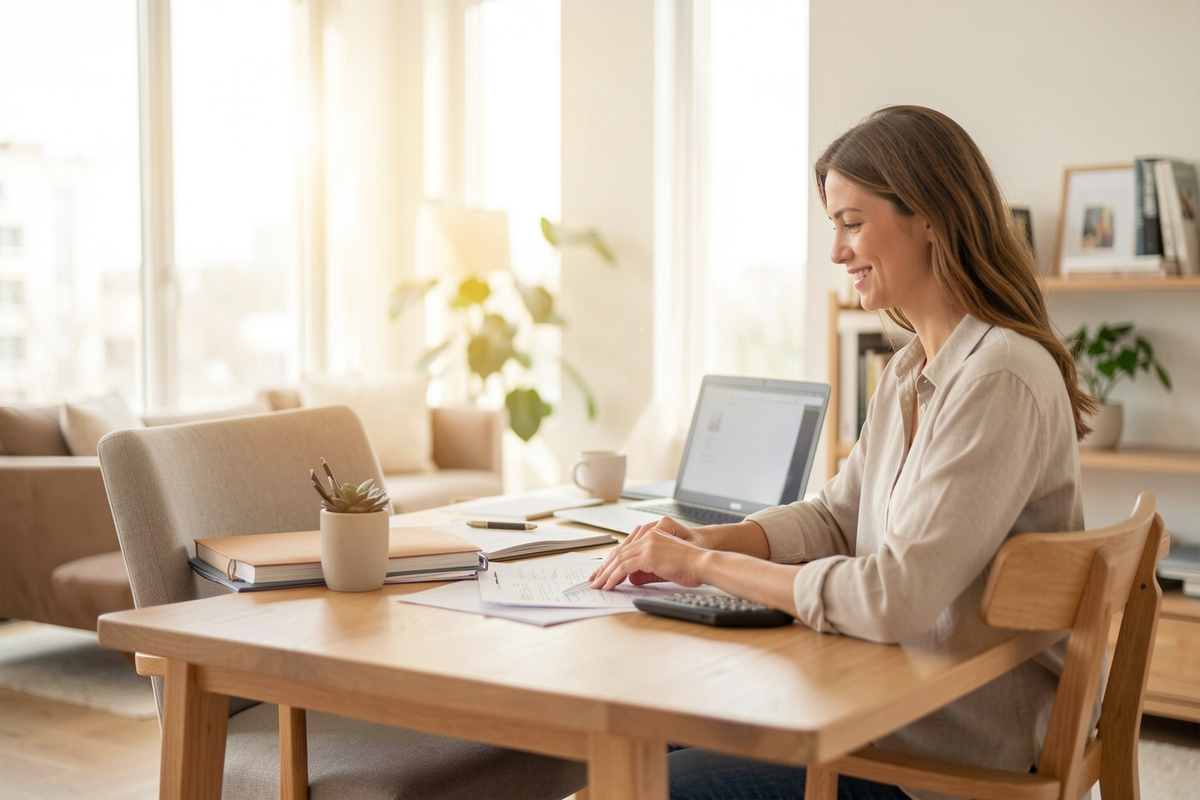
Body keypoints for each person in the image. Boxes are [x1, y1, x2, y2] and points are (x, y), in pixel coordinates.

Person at [587, 105, 1095, 800]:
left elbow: (892, 598)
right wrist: (711, 535)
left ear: (932, 218)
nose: (836, 252)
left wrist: (706, 565)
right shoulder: (915, 369)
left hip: (949, 759)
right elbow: (836, 515)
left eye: (853, 223)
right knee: (650, 727)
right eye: (835, 226)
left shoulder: (999, 377)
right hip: (902, 715)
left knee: (630, 786)